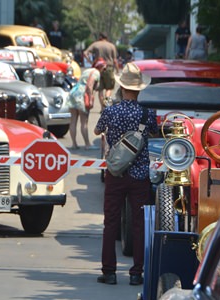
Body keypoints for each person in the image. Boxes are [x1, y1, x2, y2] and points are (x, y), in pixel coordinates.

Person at [94, 62, 158, 286]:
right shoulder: (147, 113)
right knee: (139, 224)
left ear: (122, 87)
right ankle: (136, 273)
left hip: (115, 174)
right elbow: (155, 132)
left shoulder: (111, 111)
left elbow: (97, 130)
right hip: (139, 176)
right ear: (139, 89)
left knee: (110, 222)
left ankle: (109, 271)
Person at [67, 58, 107, 150]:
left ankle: (74, 144)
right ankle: (87, 144)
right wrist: (91, 99)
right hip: (82, 95)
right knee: (84, 121)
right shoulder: (96, 72)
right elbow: (89, 85)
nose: (104, 71)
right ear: (100, 67)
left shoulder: (87, 70)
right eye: (104, 69)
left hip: (74, 92)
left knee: (73, 120)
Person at [83, 32, 119, 111]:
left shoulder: (96, 44)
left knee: (100, 89)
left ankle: (102, 108)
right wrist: (117, 70)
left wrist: (91, 62)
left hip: (98, 68)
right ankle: (107, 106)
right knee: (108, 89)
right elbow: (115, 60)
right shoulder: (111, 46)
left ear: (100, 37)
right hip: (109, 68)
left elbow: (85, 53)